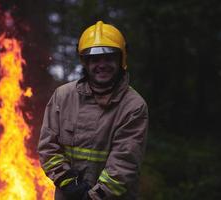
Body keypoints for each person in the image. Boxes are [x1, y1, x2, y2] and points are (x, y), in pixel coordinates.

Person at [38, 21, 148, 200]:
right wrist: (68, 182)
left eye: (109, 58)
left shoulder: (133, 106)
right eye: (95, 59)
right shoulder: (63, 96)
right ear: (85, 62)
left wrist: (93, 197)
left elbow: (124, 163)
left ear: (121, 60)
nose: (101, 65)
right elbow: (48, 147)